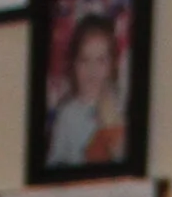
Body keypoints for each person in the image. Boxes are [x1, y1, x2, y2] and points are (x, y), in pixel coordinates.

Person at [46, 13, 126, 167]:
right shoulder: (66, 115)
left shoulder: (119, 107)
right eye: (85, 60)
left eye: (101, 61)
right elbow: (55, 163)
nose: (92, 70)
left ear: (112, 65)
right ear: (74, 64)